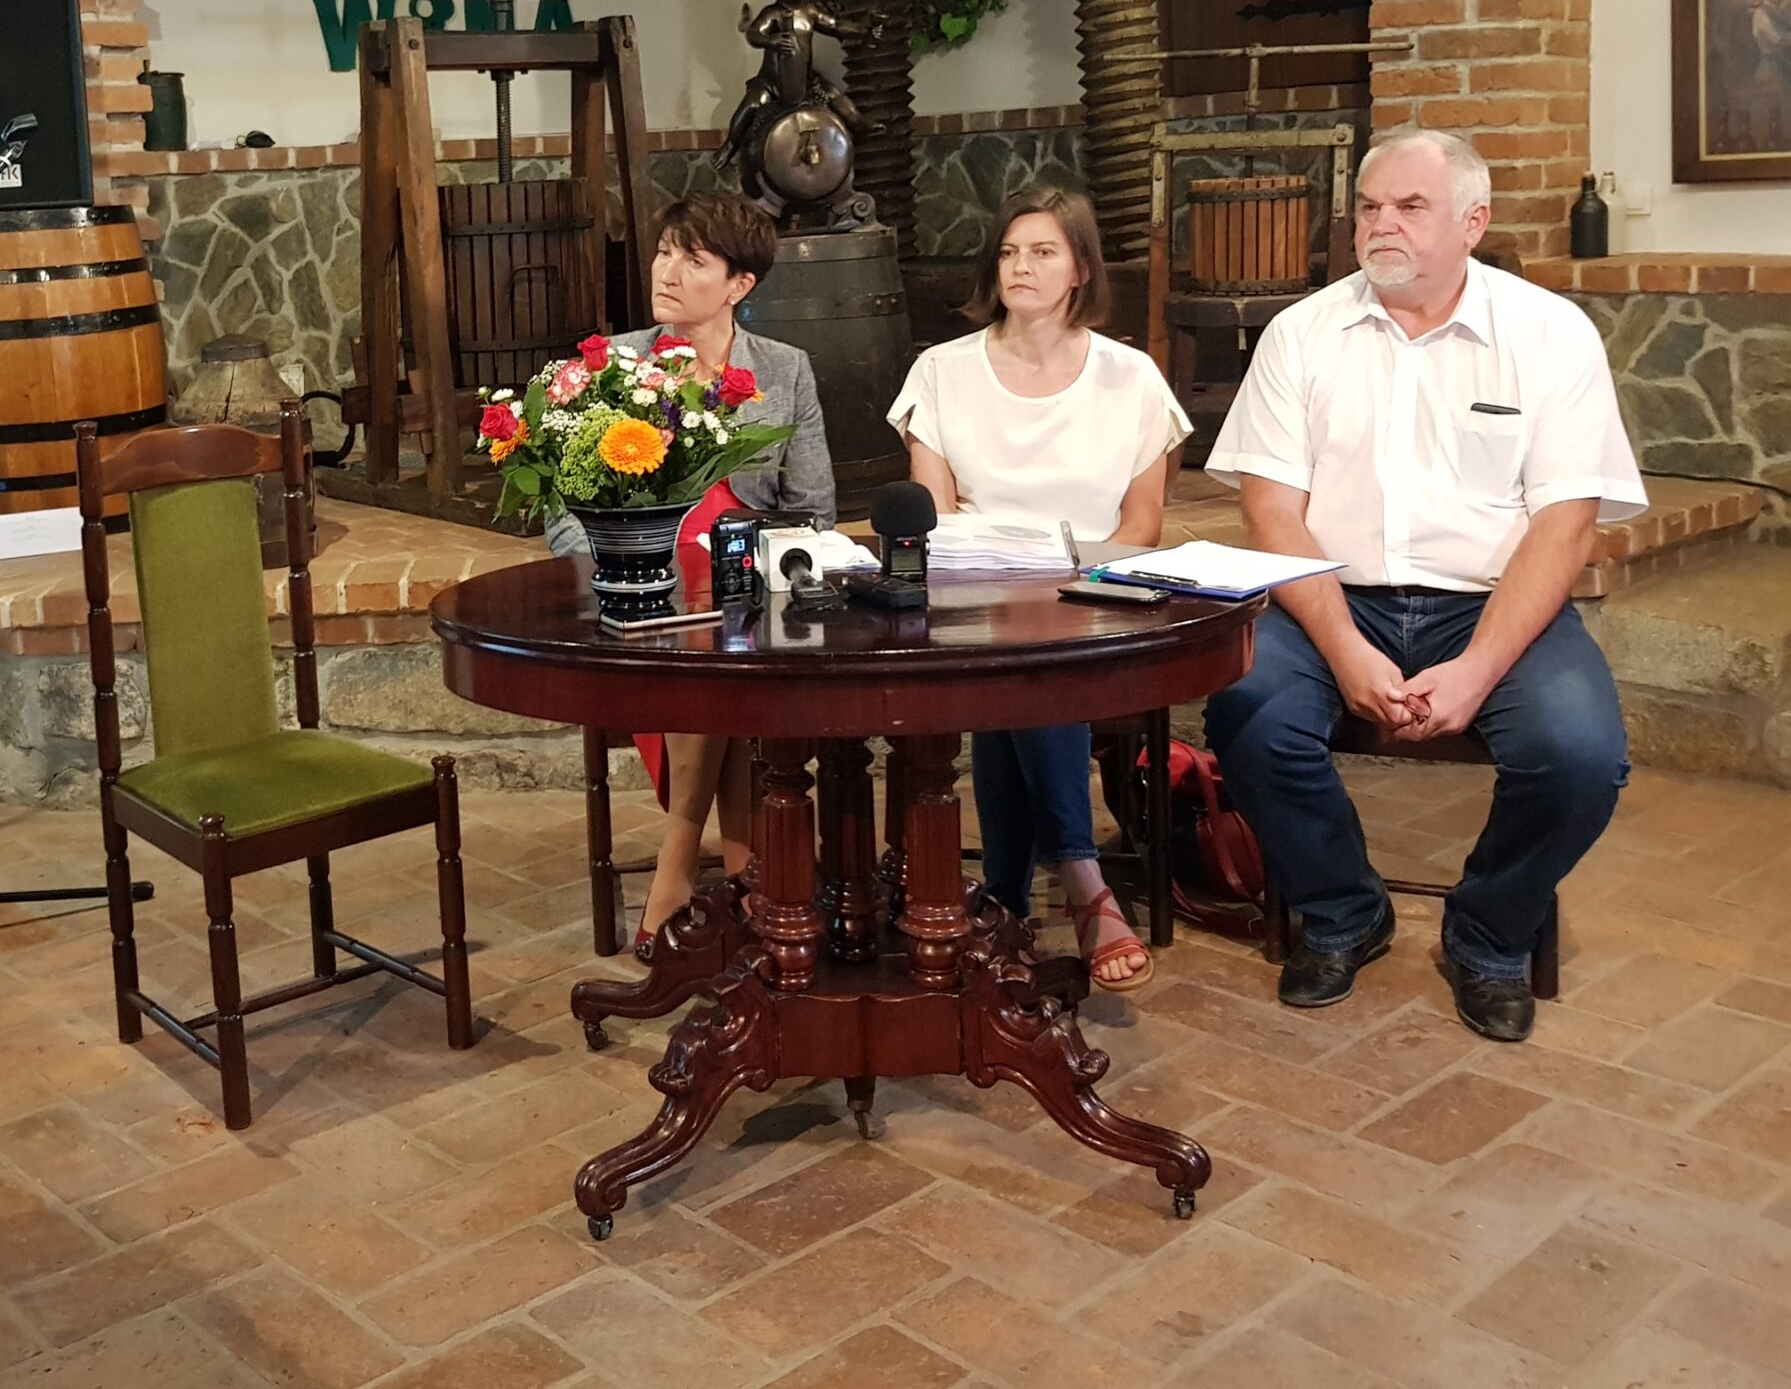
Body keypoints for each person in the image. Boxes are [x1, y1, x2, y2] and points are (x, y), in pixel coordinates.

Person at [1202, 127, 1643, 1043]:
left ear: (1473, 222)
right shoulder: (1302, 333)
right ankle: (1343, 910)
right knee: (1245, 712)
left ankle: (1489, 934)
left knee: (1579, 755)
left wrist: (1478, 670)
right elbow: (1272, 513)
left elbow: (1565, 525)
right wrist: (1345, 650)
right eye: (1369, 207)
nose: (1382, 225)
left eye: (1410, 206)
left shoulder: (1549, 334)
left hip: (1491, 604)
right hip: (1332, 597)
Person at [885, 184, 1184, 992]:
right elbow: (934, 514)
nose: (1021, 266)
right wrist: (1008, 579)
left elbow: (1143, 522)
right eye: (1010, 251)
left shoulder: (1131, 377)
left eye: (1044, 251)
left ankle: (1012, 899)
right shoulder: (941, 371)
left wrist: (1070, 584)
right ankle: (1078, 877)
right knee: (1019, 646)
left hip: (1096, 595)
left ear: (1081, 269)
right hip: (975, 591)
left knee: (1033, 653)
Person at [545, 193, 834, 956]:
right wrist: (620, 570)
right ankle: (740, 874)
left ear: (740, 284)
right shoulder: (609, 366)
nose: (666, 271)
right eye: (664, 251)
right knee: (705, 650)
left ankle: (698, 868)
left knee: (726, 643)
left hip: (747, 584)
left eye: (693, 259)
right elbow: (564, 514)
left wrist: (757, 573)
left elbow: (813, 513)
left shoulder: (784, 370)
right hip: (642, 589)